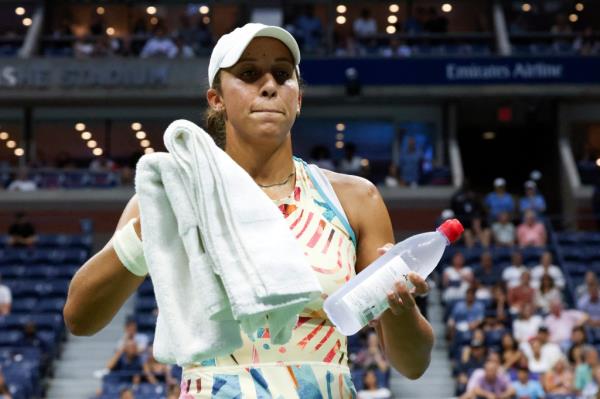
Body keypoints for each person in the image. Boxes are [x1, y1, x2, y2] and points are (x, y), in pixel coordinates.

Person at [63, 23, 434, 397]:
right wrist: (157, 221)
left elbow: (412, 364)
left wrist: (401, 309)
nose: (269, 85)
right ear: (216, 99)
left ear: (299, 99)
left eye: (283, 74)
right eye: (249, 74)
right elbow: (79, 317)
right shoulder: (172, 194)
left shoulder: (355, 199)